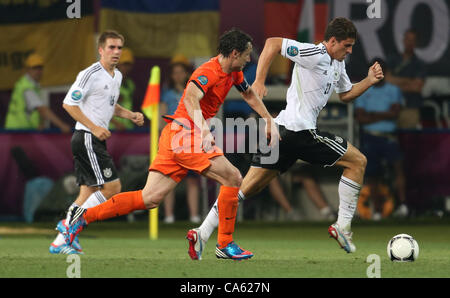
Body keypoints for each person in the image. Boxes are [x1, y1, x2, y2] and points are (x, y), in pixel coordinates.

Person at [64, 28, 280, 260]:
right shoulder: (208, 71)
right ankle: (224, 243)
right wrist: (204, 130)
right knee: (234, 177)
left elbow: (248, 94)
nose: (249, 59)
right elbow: (190, 98)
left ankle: (83, 217)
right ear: (235, 53)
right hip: (186, 135)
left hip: (173, 135)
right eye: (247, 55)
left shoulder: (233, 73)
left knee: (149, 198)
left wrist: (268, 119)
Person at [186, 17, 384, 258]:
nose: (350, 50)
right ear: (332, 41)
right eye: (347, 45)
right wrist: (259, 81)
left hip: (281, 134)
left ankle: (202, 233)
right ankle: (343, 226)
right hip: (299, 132)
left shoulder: (337, 64)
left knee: (242, 188)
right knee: (358, 162)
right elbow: (272, 44)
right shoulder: (313, 52)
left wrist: (370, 81)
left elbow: (346, 94)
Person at [49, 30, 144, 255]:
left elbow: (110, 105)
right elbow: (68, 104)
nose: (116, 52)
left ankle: (60, 242)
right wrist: (94, 127)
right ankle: (71, 224)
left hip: (94, 139)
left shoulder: (117, 76)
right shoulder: (90, 73)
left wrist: (129, 114)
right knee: (112, 187)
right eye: (111, 47)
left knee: (86, 193)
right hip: (86, 137)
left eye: (119, 47)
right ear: (100, 50)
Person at [355, 58, 407, 219]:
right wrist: (385, 114)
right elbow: (361, 118)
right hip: (371, 137)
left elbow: (395, 113)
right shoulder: (363, 89)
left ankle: (403, 206)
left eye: (381, 70)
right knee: (372, 176)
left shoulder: (393, 90)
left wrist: (372, 115)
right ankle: (377, 211)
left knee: (399, 169)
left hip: (389, 137)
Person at [161, 57, 201, 224]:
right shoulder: (167, 94)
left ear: (186, 74)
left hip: (190, 138)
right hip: (173, 137)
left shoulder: (193, 92)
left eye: (181, 72)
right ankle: (169, 216)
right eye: (175, 73)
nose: (178, 75)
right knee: (170, 179)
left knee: (192, 179)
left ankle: (194, 215)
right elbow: (161, 115)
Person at [5, 53, 71, 132]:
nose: (38, 71)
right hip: (18, 131)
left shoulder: (31, 85)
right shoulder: (26, 87)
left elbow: (35, 109)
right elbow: (42, 109)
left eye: (40, 68)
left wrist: (40, 123)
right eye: (34, 68)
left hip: (22, 129)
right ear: (27, 69)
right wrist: (62, 125)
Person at [385, 29, 427, 129]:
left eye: (412, 40)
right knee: (387, 138)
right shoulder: (392, 59)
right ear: (403, 40)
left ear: (416, 43)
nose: (410, 43)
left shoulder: (419, 64)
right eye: (408, 39)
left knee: (409, 141)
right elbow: (386, 80)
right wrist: (409, 81)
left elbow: (417, 87)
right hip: (388, 107)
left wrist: (394, 82)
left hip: (410, 108)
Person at [109, 48, 136, 131]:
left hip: (128, 129)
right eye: (124, 64)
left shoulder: (131, 84)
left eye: (128, 65)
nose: (126, 68)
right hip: (111, 129)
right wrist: (116, 124)